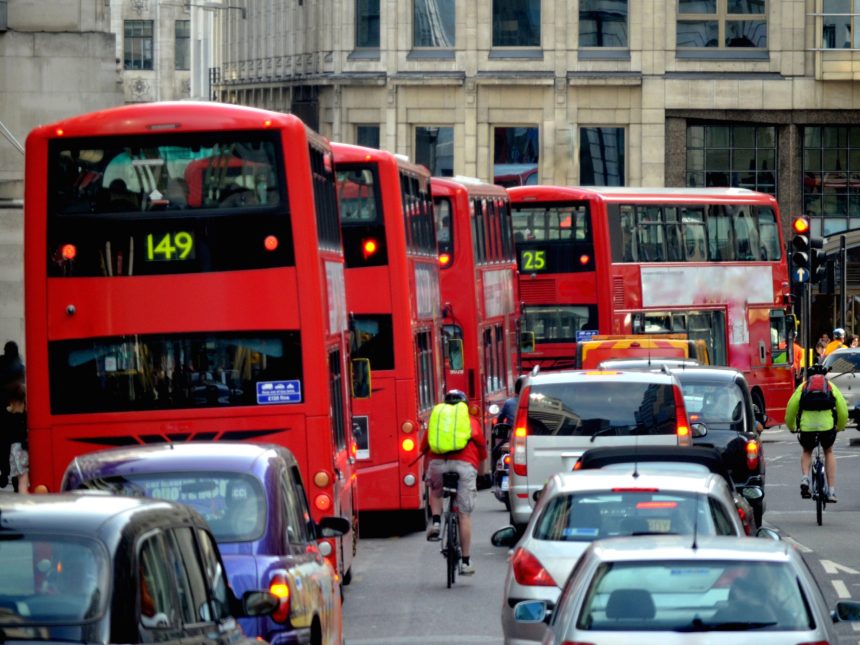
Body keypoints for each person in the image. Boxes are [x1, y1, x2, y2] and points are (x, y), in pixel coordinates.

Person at [421, 389, 487, 576]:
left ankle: (435, 522)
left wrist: (428, 475)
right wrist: (480, 474)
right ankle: (466, 561)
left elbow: (425, 448)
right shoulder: (470, 421)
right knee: (464, 515)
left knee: (435, 492)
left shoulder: (436, 421)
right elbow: (482, 450)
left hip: (437, 464)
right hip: (464, 465)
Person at [784, 365, 847, 502]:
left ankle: (805, 478)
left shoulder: (803, 387)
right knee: (828, 451)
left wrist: (792, 426)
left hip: (807, 427)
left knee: (807, 450)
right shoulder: (830, 386)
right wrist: (840, 426)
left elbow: (791, 408)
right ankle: (831, 491)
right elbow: (842, 408)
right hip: (827, 426)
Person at [2, 384, 29, 494]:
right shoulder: (24, 416)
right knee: (24, 479)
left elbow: (4, 439)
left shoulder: (6, 415)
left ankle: (20, 496)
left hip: (12, 451)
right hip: (22, 450)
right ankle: (25, 500)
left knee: (19, 478)